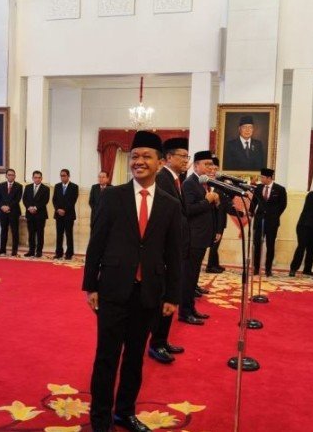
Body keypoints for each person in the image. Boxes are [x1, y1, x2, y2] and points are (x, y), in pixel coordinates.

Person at [83, 130, 181, 432]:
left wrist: (172, 296)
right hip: (113, 290)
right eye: (135, 156)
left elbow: (174, 254)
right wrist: (91, 285)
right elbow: (96, 242)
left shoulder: (169, 204)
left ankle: (124, 412)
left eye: (146, 156)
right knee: (107, 357)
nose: (139, 161)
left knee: (135, 357)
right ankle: (100, 419)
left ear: (160, 162)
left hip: (148, 293)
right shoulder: (112, 197)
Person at [148, 137, 189, 364]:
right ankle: (156, 343)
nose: (186, 160)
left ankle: (162, 340)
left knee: (170, 294)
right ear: (169, 157)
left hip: (174, 247)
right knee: (163, 297)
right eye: (182, 156)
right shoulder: (162, 178)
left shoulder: (175, 179)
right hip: (163, 251)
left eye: (187, 156)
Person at [180, 150, 219, 326]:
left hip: (202, 237)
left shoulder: (204, 182)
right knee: (188, 277)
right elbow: (188, 210)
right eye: (207, 164)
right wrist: (208, 201)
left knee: (194, 276)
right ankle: (185, 312)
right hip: (192, 238)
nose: (210, 167)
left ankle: (191, 308)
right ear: (196, 166)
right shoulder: (189, 183)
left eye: (211, 164)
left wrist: (214, 202)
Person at [251, 168, 287, 277]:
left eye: (262, 177)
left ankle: (268, 269)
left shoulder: (280, 189)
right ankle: (256, 268)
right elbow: (254, 202)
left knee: (270, 245)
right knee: (257, 244)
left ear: (269, 178)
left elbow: (283, 205)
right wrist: (251, 212)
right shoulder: (258, 188)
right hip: (259, 220)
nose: (261, 179)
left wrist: (274, 215)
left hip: (272, 222)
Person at [205, 156, 227, 274]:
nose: (213, 171)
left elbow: (225, 203)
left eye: (215, 169)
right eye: (211, 169)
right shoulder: (204, 183)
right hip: (210, 219)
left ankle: (215, 263)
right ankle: (210, 266)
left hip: (220, 218)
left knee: (216, 243)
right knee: (214, 243)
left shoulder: (220, 184)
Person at [22, 170, 50, 258]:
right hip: (30, 214)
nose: (37, 179)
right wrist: (29, 207)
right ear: (32, 178)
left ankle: (39, 251)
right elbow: (24, 199)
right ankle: (31, 251)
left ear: (41, 178)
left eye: (39, 178)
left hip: (40, 214)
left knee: (40, 234)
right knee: (31, 234)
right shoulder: (28, 187)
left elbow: (45, 201)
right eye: (35, 177)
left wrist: (35, 208)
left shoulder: (46, 188)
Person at [0, 169, 23, 256]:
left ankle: (14, 250)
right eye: (9, 175)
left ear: (15, 176)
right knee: (3, 230)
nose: (11, 176)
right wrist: (2, 206)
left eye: (12, 175)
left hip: (14, 211)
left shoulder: (19, 186)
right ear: (6, 176)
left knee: (15, 231)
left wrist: (8, 207)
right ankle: (2, 249)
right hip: (2, 211)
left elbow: (17, 199)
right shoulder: (1, 185)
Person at [52, 169, 79, 260]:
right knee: (59, 234)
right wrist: (58, 209)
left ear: (68, 176)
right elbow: (54, 200)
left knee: (68, 234)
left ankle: (69, 253)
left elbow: (73, 201)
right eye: (61, 176)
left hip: (69, 215)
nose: (62, 177)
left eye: (64, 175)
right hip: (58, 214)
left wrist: (64, 210)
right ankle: (59, 253)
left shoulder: (74, 187)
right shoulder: (57, 186)